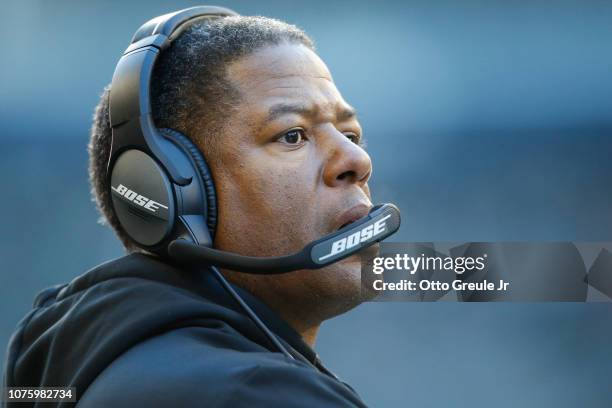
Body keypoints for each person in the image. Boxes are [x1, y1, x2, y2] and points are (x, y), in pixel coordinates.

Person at [3, 8, 376, 407]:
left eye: (350, 133)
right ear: (172, 193)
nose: (356, 159)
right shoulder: (256, 392)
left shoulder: (94, 375)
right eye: (292, 135)